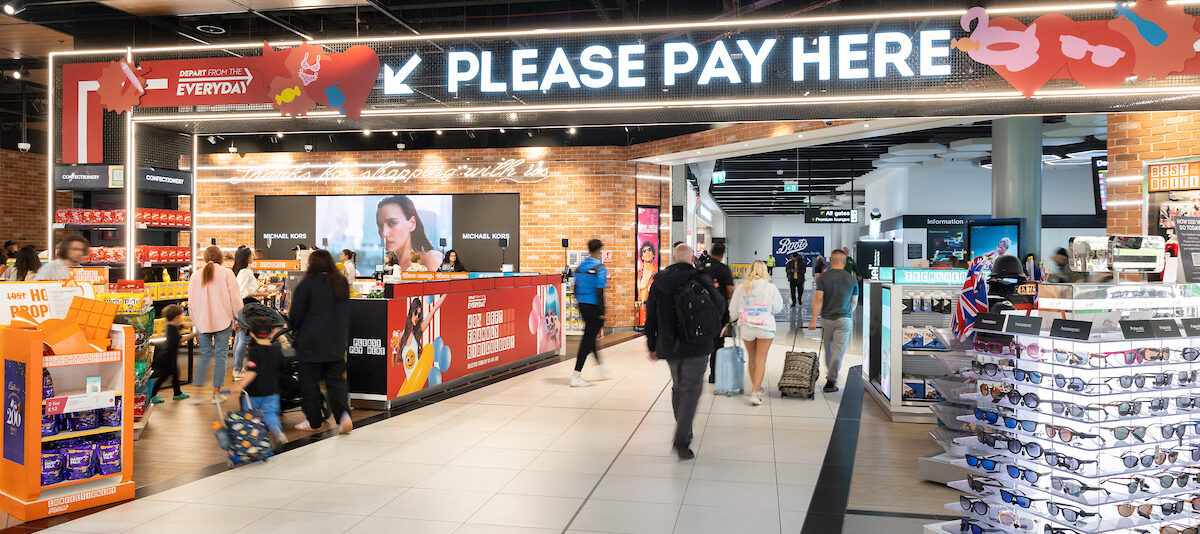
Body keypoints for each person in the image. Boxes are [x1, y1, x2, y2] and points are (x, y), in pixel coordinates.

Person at [646, 243, 725, 460]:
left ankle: (685, 428)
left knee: (678, 387)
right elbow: (719, 305)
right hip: (698, 344)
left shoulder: (659, 281)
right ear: (692, 259)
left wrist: (651, 345)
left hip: (670, 344)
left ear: (673, 258)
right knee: (691, 390)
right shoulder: (701, 278)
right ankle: (682, 438)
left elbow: (650, 316)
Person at [288, 249, 353, 433]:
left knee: (309, 383)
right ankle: (344, 416)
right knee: (336, 382)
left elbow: (296, 314)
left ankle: (313, 420)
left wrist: (291, 326)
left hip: (310, 343)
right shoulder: (340, 282)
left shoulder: (307, 283)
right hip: (336, 342)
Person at [187, 245, 243, 404]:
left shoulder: (196, 275)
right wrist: (239, 319)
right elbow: (235, 299)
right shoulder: (227, 273)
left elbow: (191, 302)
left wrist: (195, 320)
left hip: (202, 321)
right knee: (221, 356)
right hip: (223, 320)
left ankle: (197, 395)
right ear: (221, 258)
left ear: (205, 258)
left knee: (204, 356)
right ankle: (215, 394)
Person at [730, 260, 785, 405]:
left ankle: (757, 388)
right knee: (761, 359)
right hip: (765, 327)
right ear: (764, 271)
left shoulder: (741, 287)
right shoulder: (771, 288)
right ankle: (755, 392)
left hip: (746, 326)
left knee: (752, 358)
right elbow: (778, 308)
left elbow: (733, 310)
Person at [227, 317, 287, 444]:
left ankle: (253, 442)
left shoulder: (254, 351)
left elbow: (252, 372)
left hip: (254, 393)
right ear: (271, 332)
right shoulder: (276, 349)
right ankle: (277, 432)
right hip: (272, 391)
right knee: (270, 414)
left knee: (251, 417)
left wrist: (240, 385)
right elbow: (283, 365)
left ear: (252, 334)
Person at [808, 249, 858, 393]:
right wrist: (847, 312)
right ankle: (831, 380)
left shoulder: (823, 278)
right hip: (844, 319)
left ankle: (830, 376)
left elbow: (818, 299)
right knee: (838, 351)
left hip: (826, 320)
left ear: (830, 261)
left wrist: (813, 320)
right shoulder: (852, 279)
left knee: (828, 350)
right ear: (844, 261)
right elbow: (854, 302)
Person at [571, 239, 608, 387]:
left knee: (590, 336)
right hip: (594, 307)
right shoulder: (600, 267)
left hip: (582, 305)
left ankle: (600, 368)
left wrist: (581, 300)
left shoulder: (580, 267)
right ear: (599, 251)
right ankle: (576, 375)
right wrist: (602, 311)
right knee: (587, 340)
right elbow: (600, 291)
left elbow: (575, 288)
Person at [376, 195, 443, 272]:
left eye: (392, 223)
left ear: (412, 224)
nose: (384, 233)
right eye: (380, 226)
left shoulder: (431, 259)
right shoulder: (390, 267)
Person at [701, 242, 734, 384]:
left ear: (711, 251)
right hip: (719, 311)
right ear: (722, 254)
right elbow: (730, 291)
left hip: (701, 310)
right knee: (718, 343)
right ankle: (714, 375)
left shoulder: (700, 267)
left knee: (701, 342)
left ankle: (698, 372)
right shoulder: (724, 269)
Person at [149, 305, 193, 404]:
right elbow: (181, 339)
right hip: (166, 358)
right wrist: (194, 334)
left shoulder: (170, 326)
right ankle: (152, 395)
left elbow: (177, 328)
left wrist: (184, 325)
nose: (181, 319)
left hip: (169, 357)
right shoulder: (171, 329)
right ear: (176, 318)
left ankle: (177, 393)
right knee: (163, 377)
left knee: (175, 374)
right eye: (181, 317)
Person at [231, 247, 259, 381]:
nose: (253, 257)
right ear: (246, 257)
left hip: (244, 306)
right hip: (247, 306)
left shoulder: (243, 271)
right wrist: (259, 293)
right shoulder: (245, 272)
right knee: (242, 338)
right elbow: (241, 292)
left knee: (239, 338)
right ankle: (237, 370)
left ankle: (237, 368)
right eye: (251, 255)